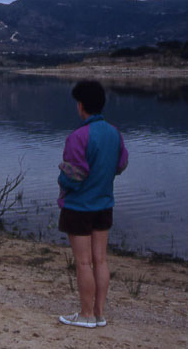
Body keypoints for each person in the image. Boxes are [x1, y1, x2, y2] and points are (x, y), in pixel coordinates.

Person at [57, 80, 128, 328]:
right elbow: (120, 165)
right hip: (104, 204)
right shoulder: (114, 133)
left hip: (79, 207)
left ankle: (86, 315)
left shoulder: (79, 136)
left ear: (82, 105)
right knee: (101, 260)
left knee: (84, 262)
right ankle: (98, 313)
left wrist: (61, 178)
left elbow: (73, 177)